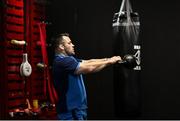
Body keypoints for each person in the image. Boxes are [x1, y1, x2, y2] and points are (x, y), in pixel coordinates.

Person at [52, 33, 122, 120]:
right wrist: (110, 61)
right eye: (69, 43)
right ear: (62, 46)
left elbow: (89, 62)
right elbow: (90, 68)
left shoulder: (70, 60)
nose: (73, 45)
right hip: (70, 111)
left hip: (79, 110)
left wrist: (108, 59)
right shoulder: (61, 62)